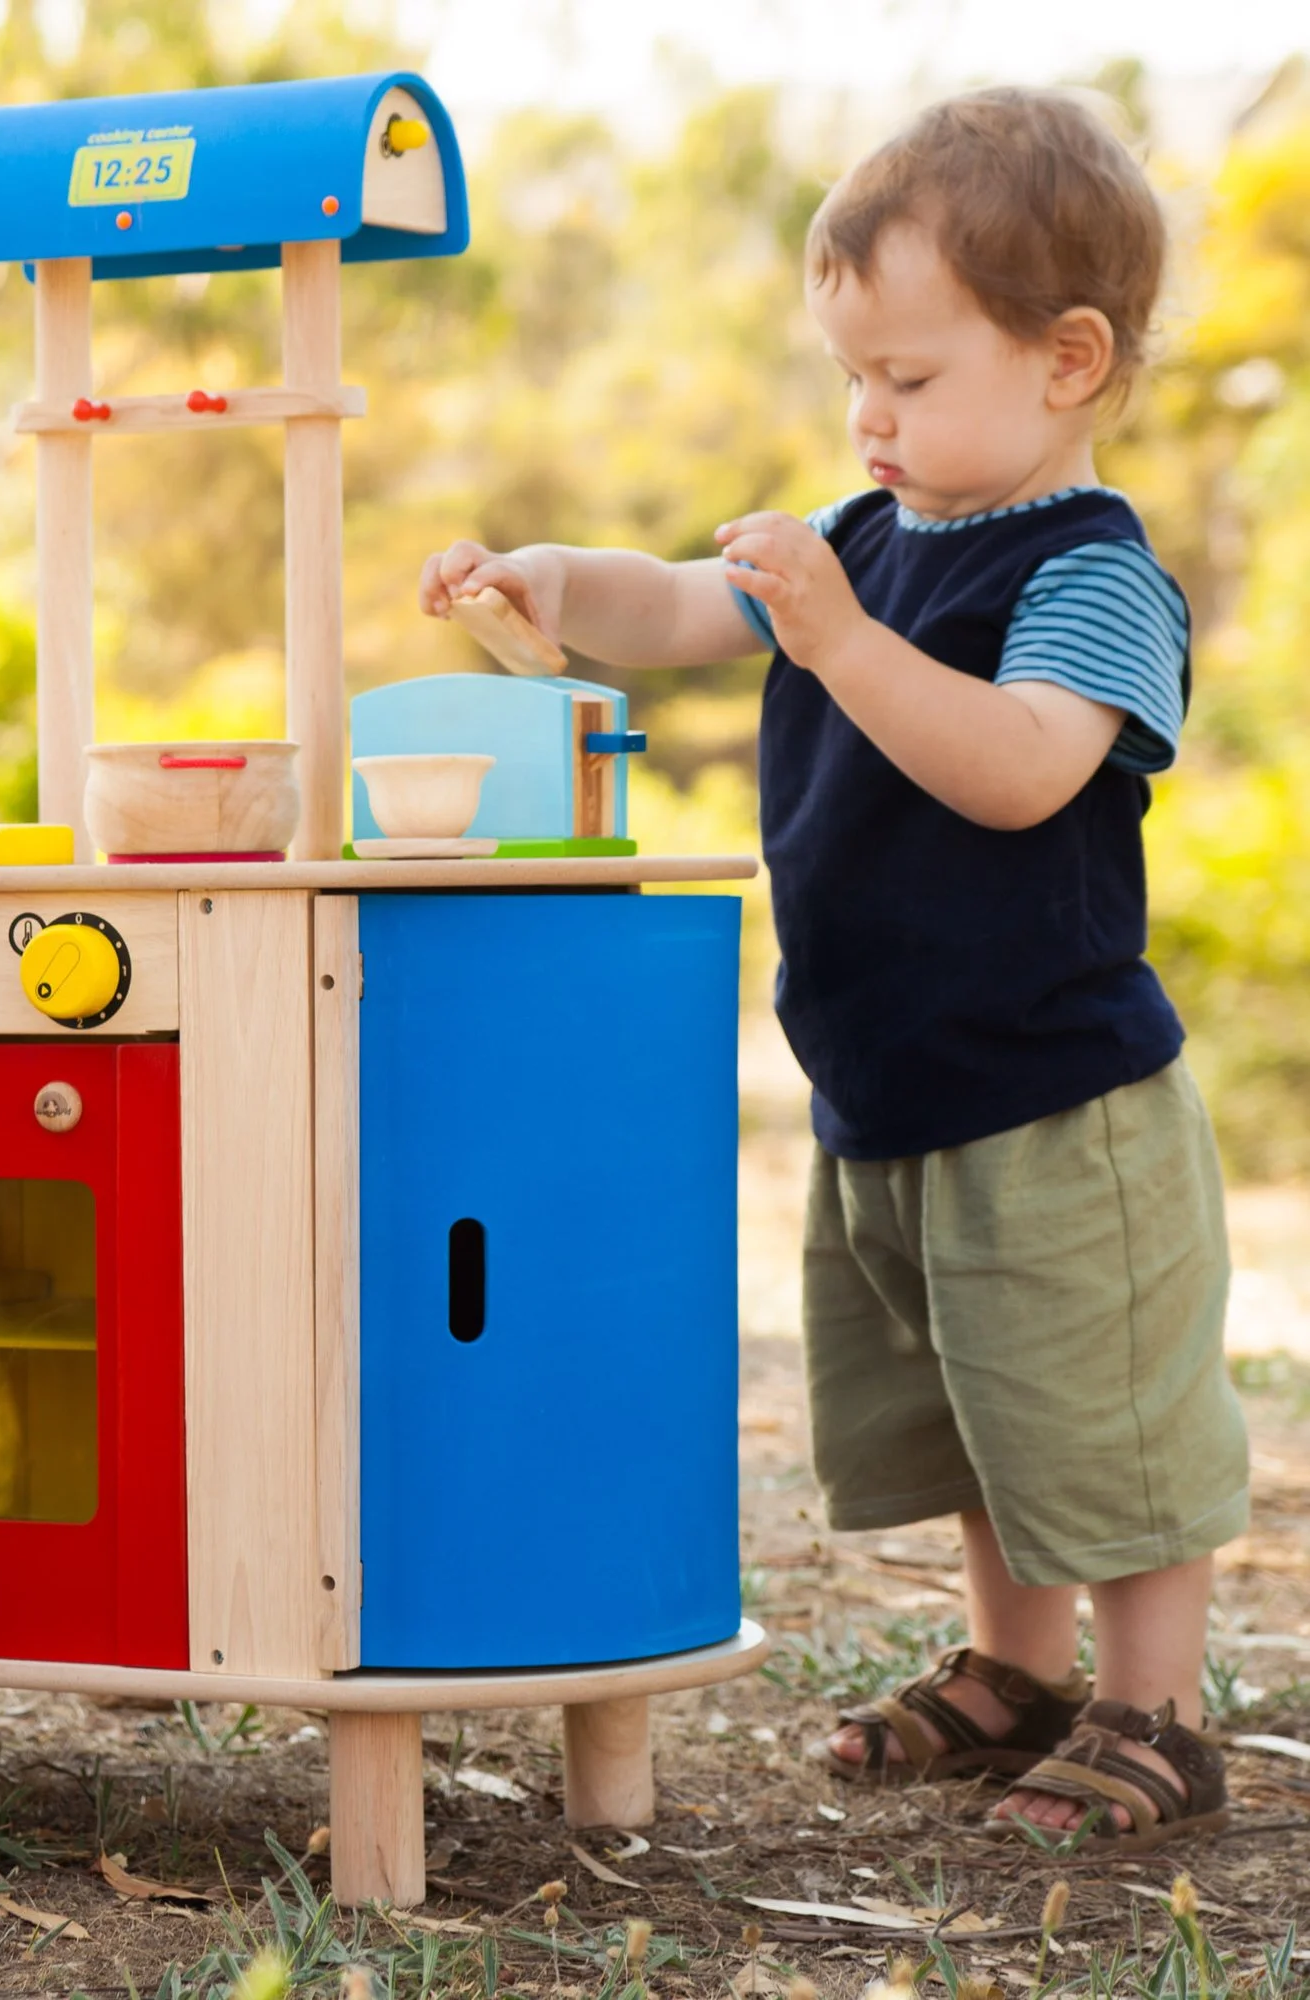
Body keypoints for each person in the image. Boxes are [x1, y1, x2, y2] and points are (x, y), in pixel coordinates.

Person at [417, 86, 1244, 1852]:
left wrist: (843, 636)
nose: (869, 416)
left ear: (1070, 360)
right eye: (852, 377)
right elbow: (678, 606)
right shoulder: (859, 535)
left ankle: (1160, 1710)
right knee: (974, 1404)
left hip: (1055, 1096)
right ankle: (1013, 1673)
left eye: (914, 379)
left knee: (1096, 1414)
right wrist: (552, 576)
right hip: (888, 1090)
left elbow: (1021, 767)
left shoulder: (1091, 574)